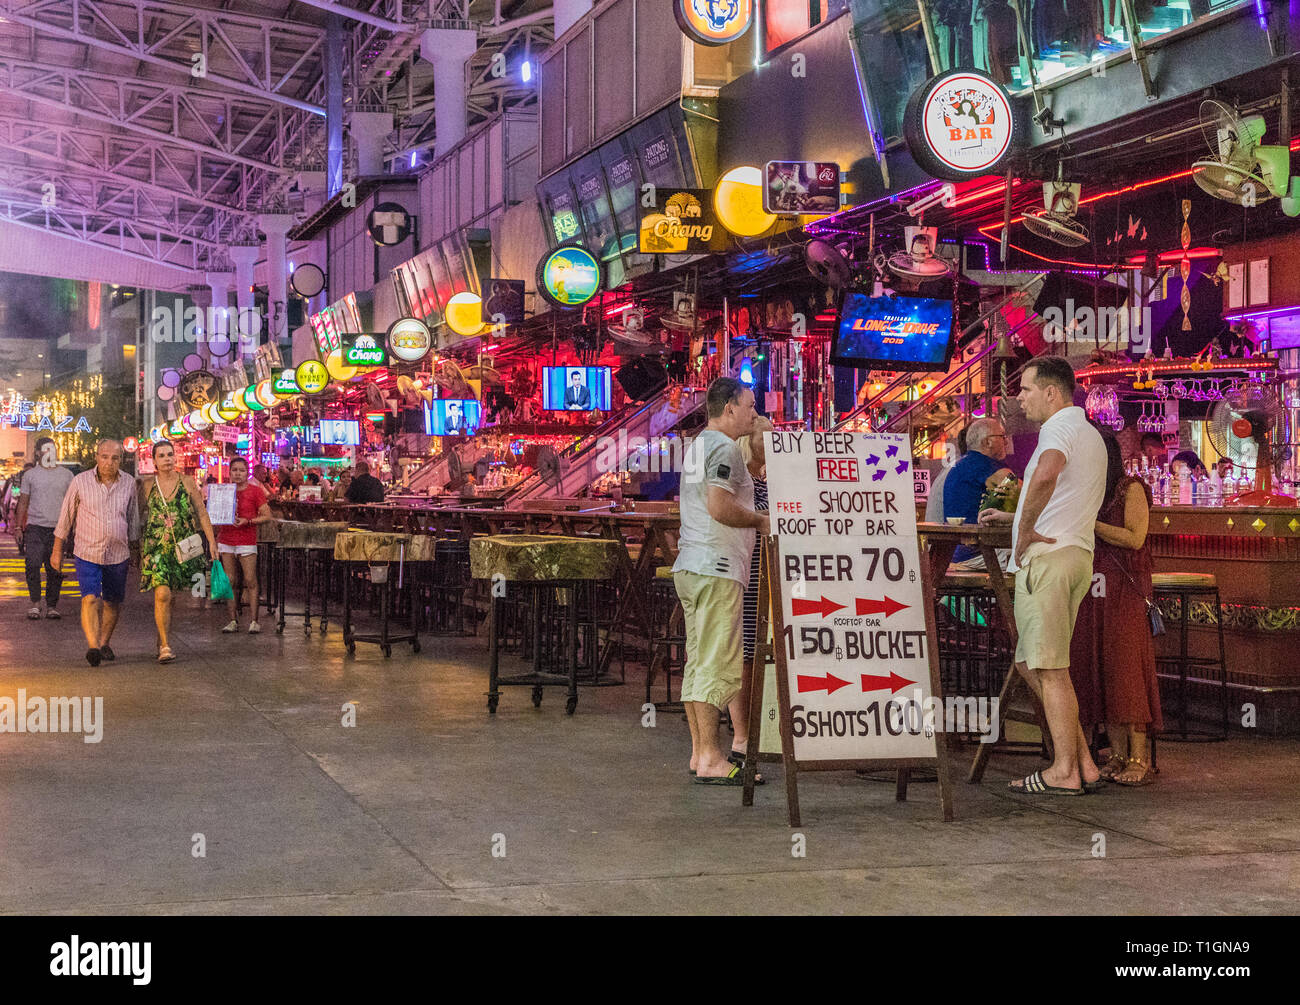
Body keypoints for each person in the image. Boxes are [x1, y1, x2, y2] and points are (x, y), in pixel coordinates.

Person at [979, 356, 1107, 796]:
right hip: (1075, 557)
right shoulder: (1087, 433)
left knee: (1048, 669)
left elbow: (1048, 475)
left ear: (1052, 392)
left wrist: (1026, 531)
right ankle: (1084, 762)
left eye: (1027, 389)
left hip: (1048, 562)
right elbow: (1061, 490)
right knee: (1032, 661)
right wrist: (1016, 518)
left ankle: (1064, 771)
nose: (1019, 397)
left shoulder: (1058, 429)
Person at [673, 377, 769, 786]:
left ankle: (700, 753)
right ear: (729, 407)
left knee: (699, 663)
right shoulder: (725, 447)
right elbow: (719, 505)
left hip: (692, 566)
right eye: (749, 405)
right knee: (717, 665)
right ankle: (712, 756)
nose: (754, 412)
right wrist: (761, 520)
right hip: (716, 568)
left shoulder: (699, 444)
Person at [1069, 431, 1163, 787]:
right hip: (1093, 586)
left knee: (1126, 667)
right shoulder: (1091, 493)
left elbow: (1135, 537)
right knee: (1100, 665)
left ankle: (1139, 756)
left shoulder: (1131, 488)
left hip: (1125, 587)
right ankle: (1118, 753)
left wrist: (1089, 523)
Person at [52, 439, 141, 667]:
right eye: (104, 457)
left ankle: (103, 643)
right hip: (87, 551)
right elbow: (66, 517)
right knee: (90, 599)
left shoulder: (129, 483)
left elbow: (133, 518)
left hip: (118, 553)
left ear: (121, 459)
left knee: (112, 602)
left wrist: (136, 549)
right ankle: (92, 647)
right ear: (97, 457)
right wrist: (57, 551)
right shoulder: (80, 482)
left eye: (114, 458)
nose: (109, 463)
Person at [138, 440, 218, 664]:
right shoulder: (146, 486)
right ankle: (165, 645)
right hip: (155, 548)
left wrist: (211, 541)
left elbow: (201, 512)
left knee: (170, 596)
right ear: (153, 460)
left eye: (169, 455)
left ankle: (161, 635)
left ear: (175, 457)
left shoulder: (187, 482)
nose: (166, 459)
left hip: (182, 547)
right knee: (162, 594)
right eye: (161, 455)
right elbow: (136, 516)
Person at [730, 415, 773, 767]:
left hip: (769, 574)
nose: (774, 443)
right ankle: (742, 737)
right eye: (767, 437)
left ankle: (759, 734)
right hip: (747, 570)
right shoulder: (741, 478)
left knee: (758, 653)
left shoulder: (767, 478)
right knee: (744, 654)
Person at [14, 437, 74, 620]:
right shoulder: (31, 475)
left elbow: (73, 503)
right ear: (39, 452)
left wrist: (73, 527)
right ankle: (35, 604)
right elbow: (23, 501)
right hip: (35, 527)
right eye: (46, 449)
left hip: (58, 529)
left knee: (54, 568)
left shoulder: (66, 475)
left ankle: (52, 606)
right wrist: (18, 527)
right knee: (32, 564)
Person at [943, 417, 1014, 568]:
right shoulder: (984, 466)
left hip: (955, 553)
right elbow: (1027, 495)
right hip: (977, 554)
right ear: (987, 442)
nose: (1006, 442)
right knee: (1042, 555)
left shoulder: (962, 465)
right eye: (1002, 437)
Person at [218, 456, 272, 634]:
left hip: (247, 540)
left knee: (250, 580)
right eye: (234, 470)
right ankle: (232, 620)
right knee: (229, 580)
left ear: (246, 472)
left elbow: (266, 515)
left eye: (241, 470)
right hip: (226, 539)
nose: (238, 474)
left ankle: (254, 620)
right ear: (230, 472)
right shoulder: (223, 491)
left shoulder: (255, 491)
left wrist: (248, 521)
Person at [924, 427, 967, 524]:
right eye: (1001, 437)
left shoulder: (953, 467)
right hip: (946, 535)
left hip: (936, 533)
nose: (1005, 442)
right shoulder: (964, 469)